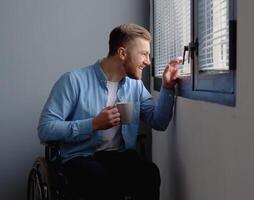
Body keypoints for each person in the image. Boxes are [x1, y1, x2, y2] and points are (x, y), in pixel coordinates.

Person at [38, 23, 181, 200]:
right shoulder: (73, 81)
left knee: (149, 173)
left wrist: (167, 87)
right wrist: (93, 124)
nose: (148, 61)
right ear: (122, 53)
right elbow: (45, 129)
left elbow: (158, 121)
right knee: (98, 180)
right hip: (80, 156)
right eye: (144, 54)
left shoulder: (135, 86)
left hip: (118, 156)